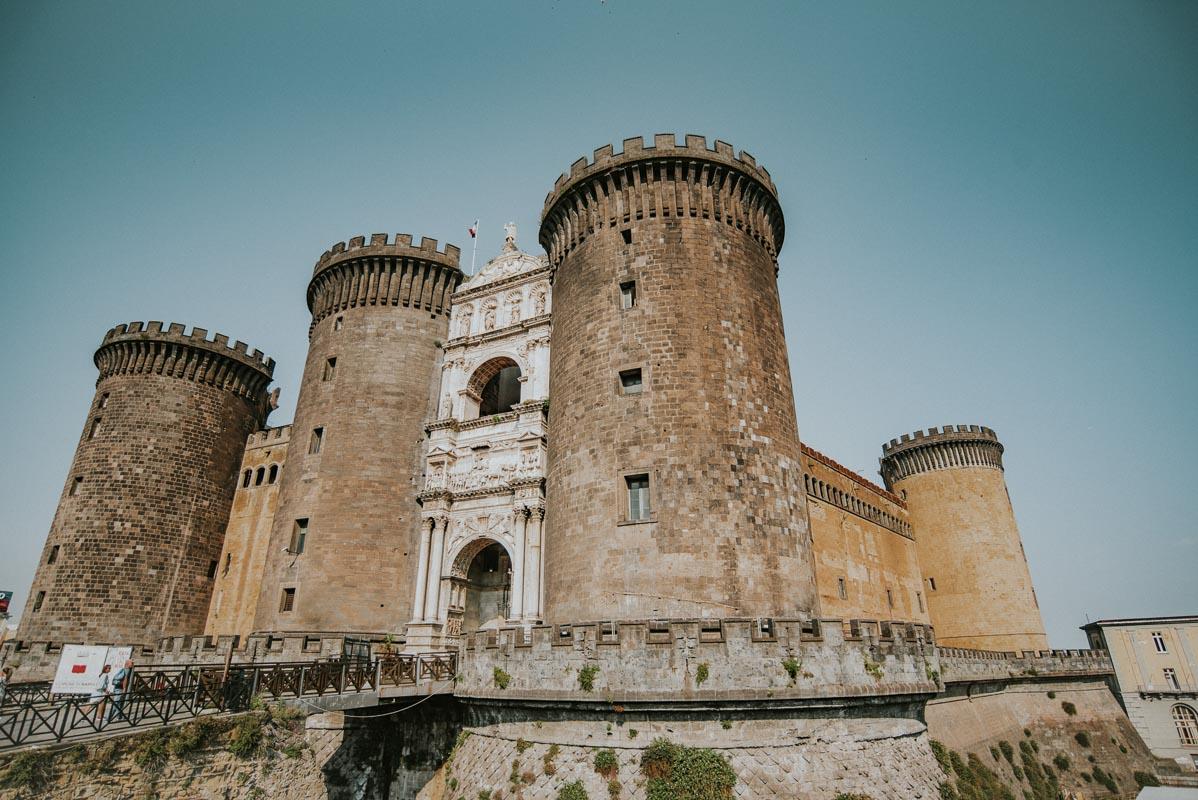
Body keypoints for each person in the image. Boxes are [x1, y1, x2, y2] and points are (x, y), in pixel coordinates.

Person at [107, 659, 134, 724]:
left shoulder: (123, 669)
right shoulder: (126, 670)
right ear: (127, 664)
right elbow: (125, 679)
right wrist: (124, 689)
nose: (133, 665)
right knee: (116, 703)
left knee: (119, 703)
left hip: (117, 688)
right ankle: (109, 717)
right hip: (120, 689)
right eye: (132, 663)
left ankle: (119, 717)